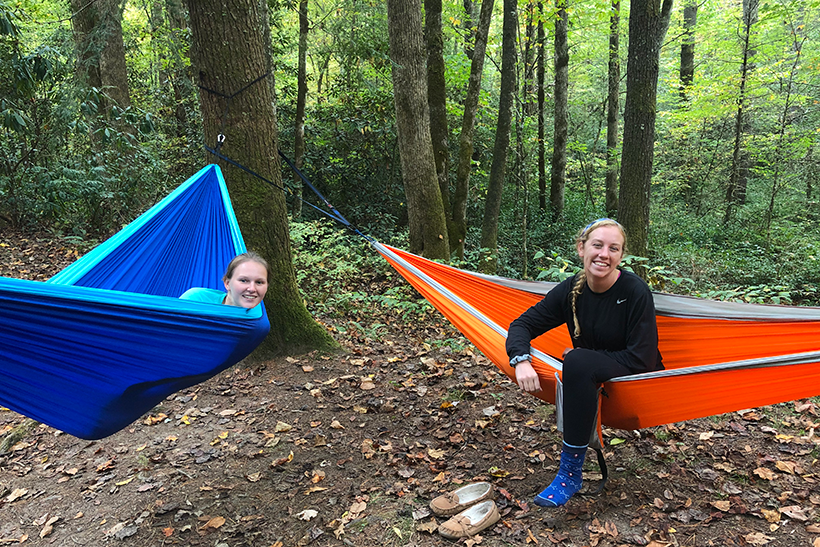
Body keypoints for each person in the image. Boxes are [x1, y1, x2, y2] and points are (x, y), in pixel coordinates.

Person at [505, 218, 662, 507]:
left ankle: (569, 473)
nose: (605, 254)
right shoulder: (571, 290)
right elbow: (521, 325)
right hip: (588, 375)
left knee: (577, 360)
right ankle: (572, 473)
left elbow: (643, 357)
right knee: (578, 361)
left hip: (638, 374)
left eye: (614, 248)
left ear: (621, 255)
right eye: (597, 245)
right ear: (581, 248)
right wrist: (521, 360)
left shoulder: (635, 291)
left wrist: (587, 359)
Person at [179, 252, 269, 309]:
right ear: (227, 283)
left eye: (259, 282)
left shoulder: (258, 322)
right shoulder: (195, 298)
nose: (252, 289)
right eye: (243, 280)